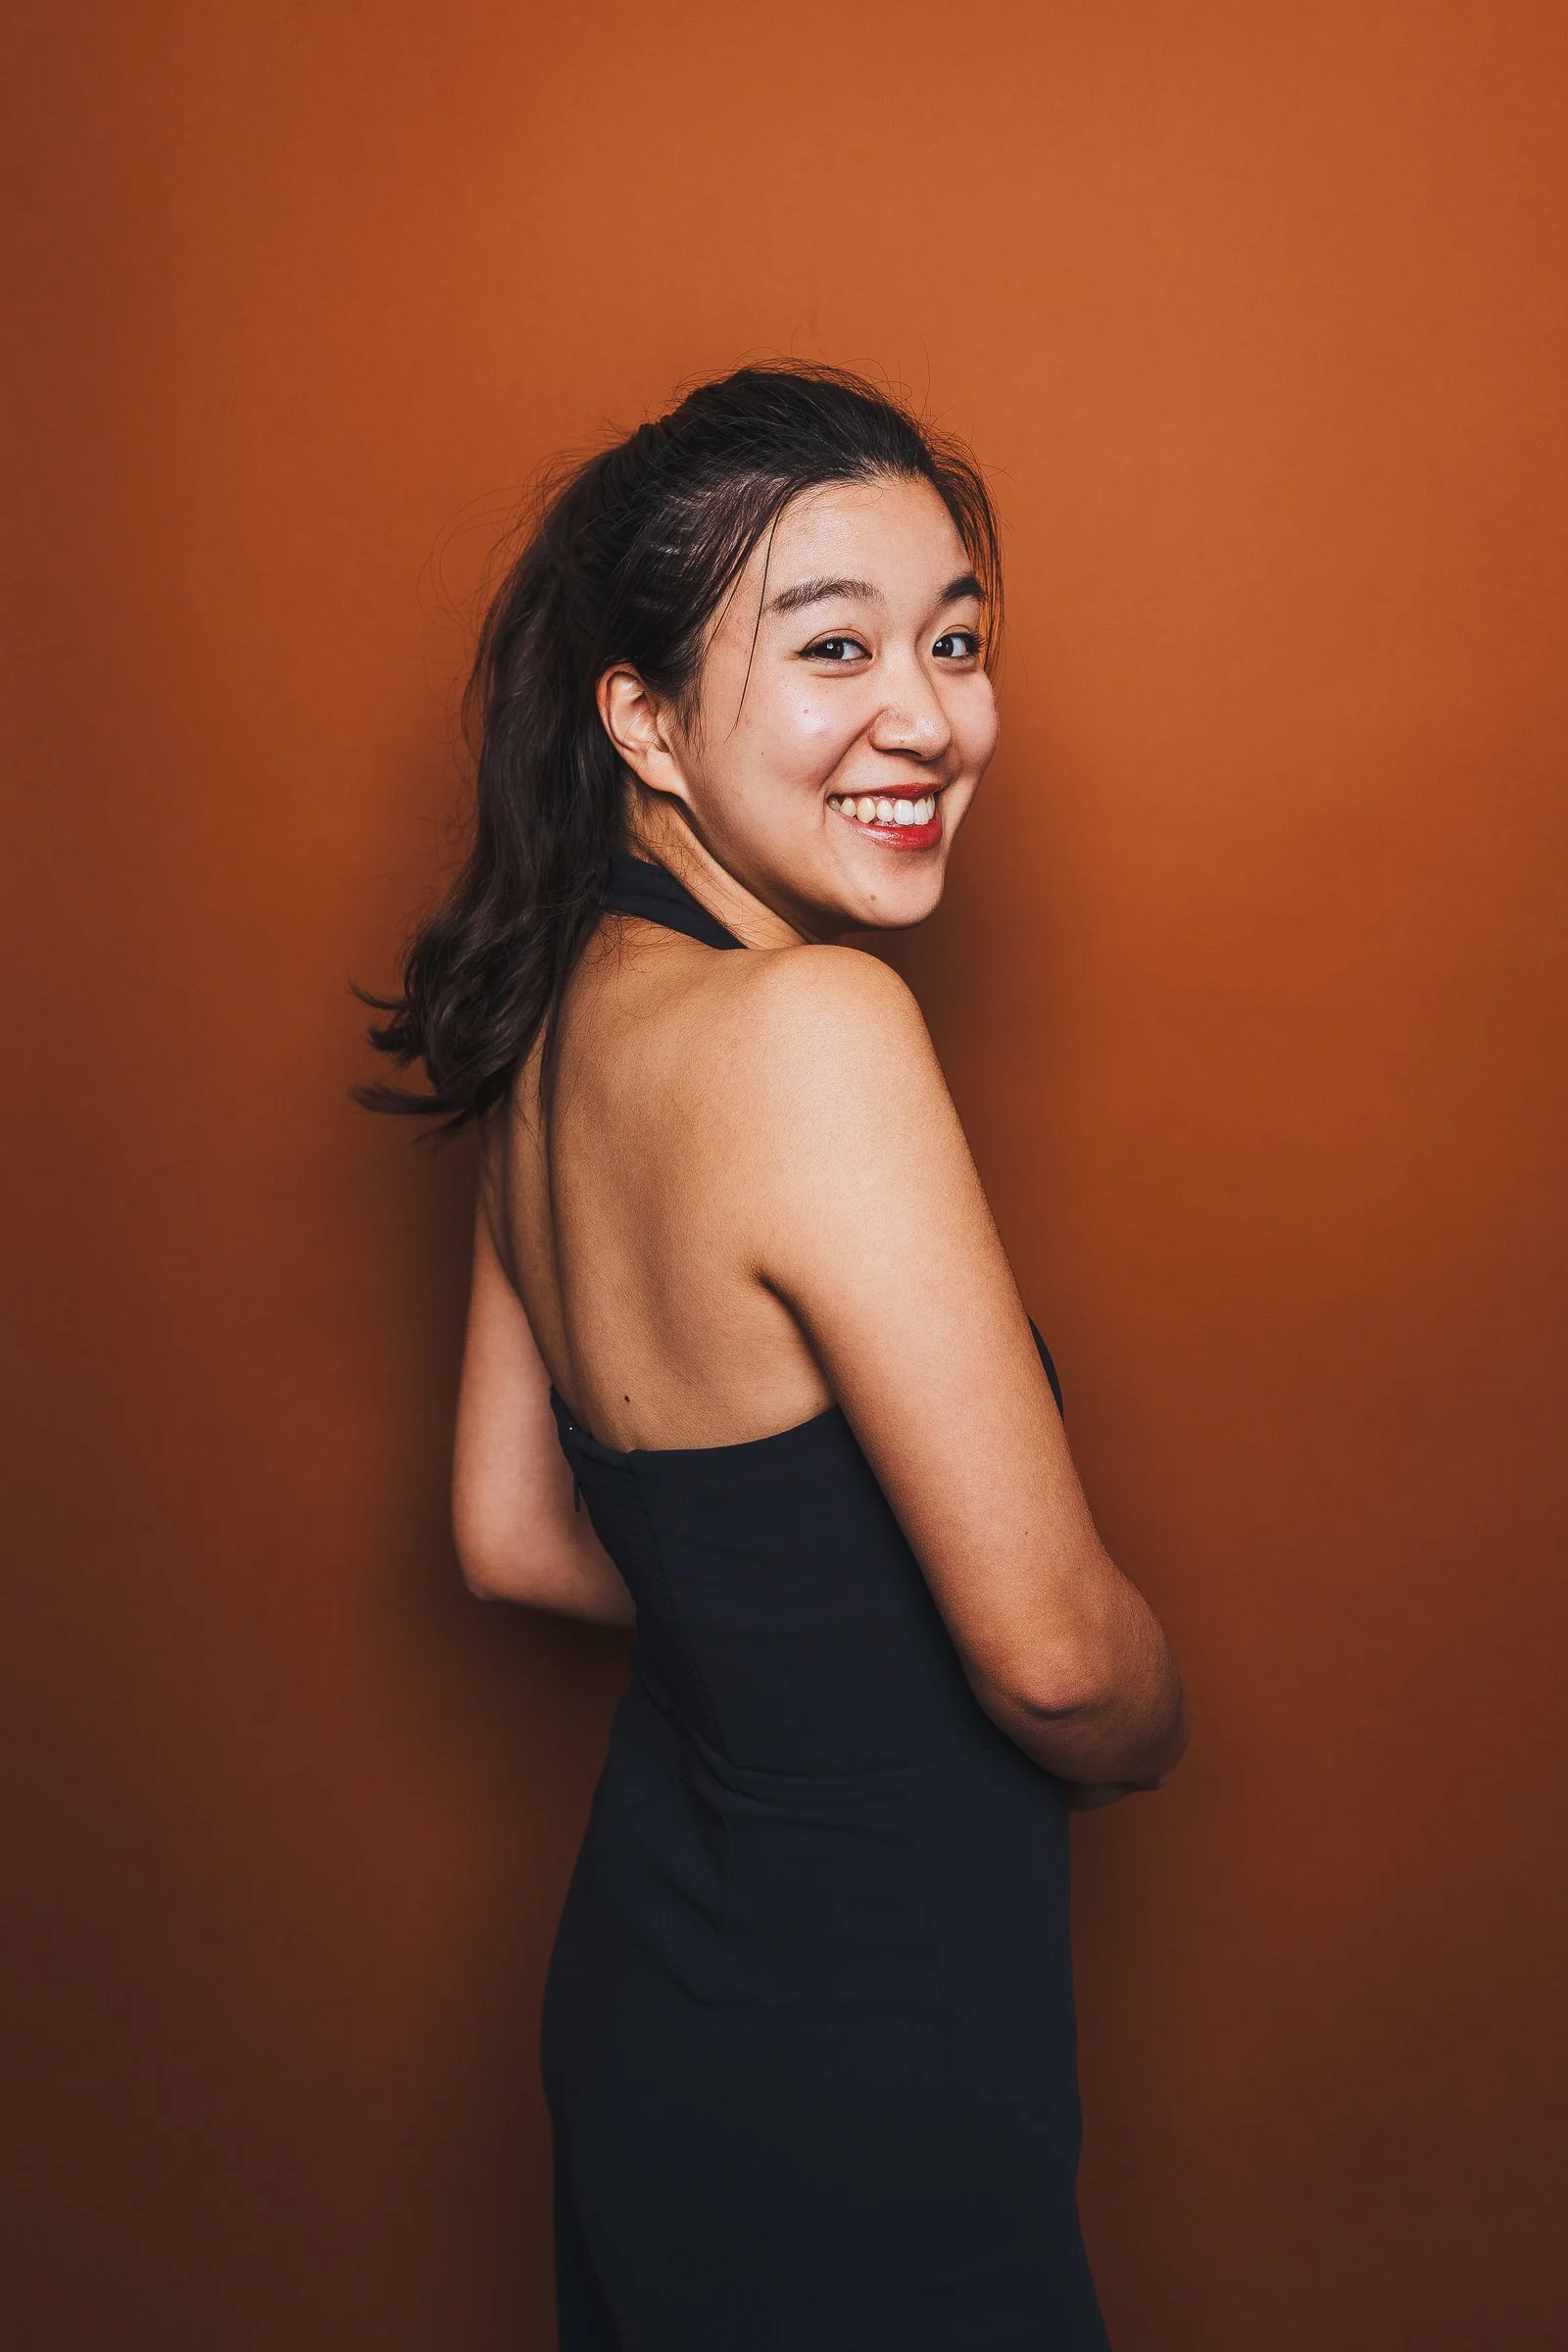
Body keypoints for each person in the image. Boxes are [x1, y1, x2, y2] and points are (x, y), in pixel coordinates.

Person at [359, 364, 1188, 2349]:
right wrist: (1151, 1722)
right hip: (868, 2061)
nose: (930, 716)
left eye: (954, 639)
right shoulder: (815, 1030)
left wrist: (798, 1643)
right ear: (640, 720)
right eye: (835, 647)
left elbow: (508, 1532)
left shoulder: (553, 1011)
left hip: (653, 2005)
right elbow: (1058, 1660)